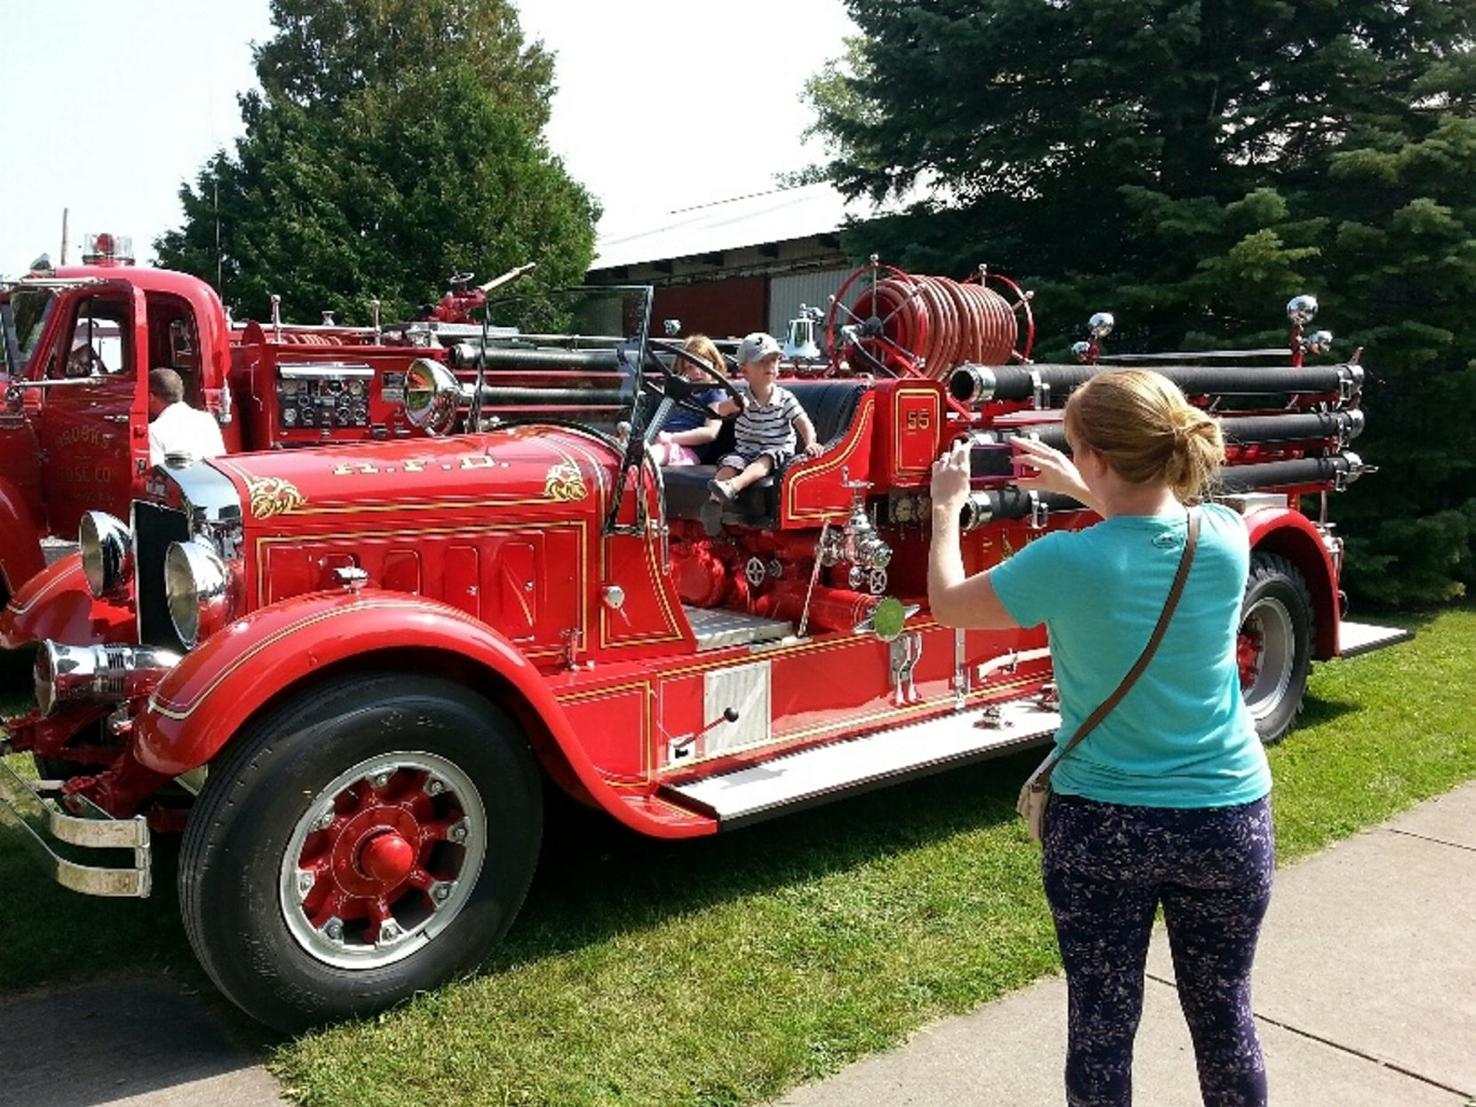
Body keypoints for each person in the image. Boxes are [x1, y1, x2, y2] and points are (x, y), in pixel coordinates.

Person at [928, 369, 1273, 1107]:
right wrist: (1080, 482)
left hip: (1104, 824)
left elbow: (948, 603)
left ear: (1099, 458)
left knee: (1101, 1030)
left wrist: (945, 509)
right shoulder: (1224, 535)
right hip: (1228, 816)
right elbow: (1151, 526)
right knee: (1226, 1019)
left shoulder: (1064, 561)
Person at [699, 332, 823, 536]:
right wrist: (732, 405)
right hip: (746, 451)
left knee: (764, 460)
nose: (770, 366)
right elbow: (715, 410)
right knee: (729, 465)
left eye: (774, 360)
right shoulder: (740, 398)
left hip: (778, 451)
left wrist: (810, 443)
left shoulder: (785, 398)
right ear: (744, 371)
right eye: (762, 361)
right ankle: (713, 505)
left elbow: (804, 423)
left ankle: (733, 486)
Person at [650, 334, 728, 466]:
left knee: (653, 454)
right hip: (662, 442)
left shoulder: (715, 393)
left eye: (701, 365)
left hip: (687, 450)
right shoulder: (681, 392)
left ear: (714, 364)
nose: (696, 372)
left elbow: (710, 432)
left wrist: (671, 438)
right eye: (689, 367)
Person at [148, 367, 226, 467]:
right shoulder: (208, 420)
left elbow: (157, 472)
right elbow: (220, 461)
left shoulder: (154, 431)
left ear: (151, 397)